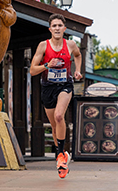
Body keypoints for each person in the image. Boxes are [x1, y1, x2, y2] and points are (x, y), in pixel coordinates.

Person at [30, 13, 82, 179]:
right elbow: (32, 70)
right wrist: (46, 65)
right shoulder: (43, 46)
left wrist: (78, 70)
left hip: (65, 85)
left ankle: (60, 156)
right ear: (50, 29)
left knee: (60, 116)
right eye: (54, 26)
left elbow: (78, 55)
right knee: (54, 125)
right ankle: (63, 155)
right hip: (48, 88)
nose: (57, 28)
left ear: (64, 29)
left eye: (60, 25)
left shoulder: (71, 44)